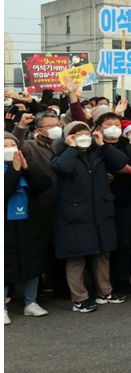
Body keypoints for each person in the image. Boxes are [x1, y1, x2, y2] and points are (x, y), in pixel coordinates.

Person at [51, 121, 129, 312]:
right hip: (75, 212)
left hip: (101, 209)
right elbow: (62, 168)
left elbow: (121, 162)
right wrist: (70, 148)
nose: (84, 136)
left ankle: (105, 291)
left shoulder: (99, 153)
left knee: (103, 253)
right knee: (76, 257)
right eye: (77, 133)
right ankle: (79, 298)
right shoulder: (61, 155)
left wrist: (103, 144)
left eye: (86, 132)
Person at [4, 132, 52, 324]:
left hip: (28, 221)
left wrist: (27, 168)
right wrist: (14, 172)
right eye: (4, 145)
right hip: (6, 224)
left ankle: (31, 303)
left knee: (32, 260)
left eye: (12, 144)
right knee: (5, 264)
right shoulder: (13, 170)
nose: (9, 148)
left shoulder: (23, 166)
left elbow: (43, 184)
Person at [97, 112, 131, 294]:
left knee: (124, 241)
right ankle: (103, 282)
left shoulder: (130, 148)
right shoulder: (94, 147)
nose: (114, 127)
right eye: (109, 124)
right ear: (99, 128)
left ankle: (122, 279)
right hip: (100, 202)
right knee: (103, 244)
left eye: (117, 123)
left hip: (126, 200)